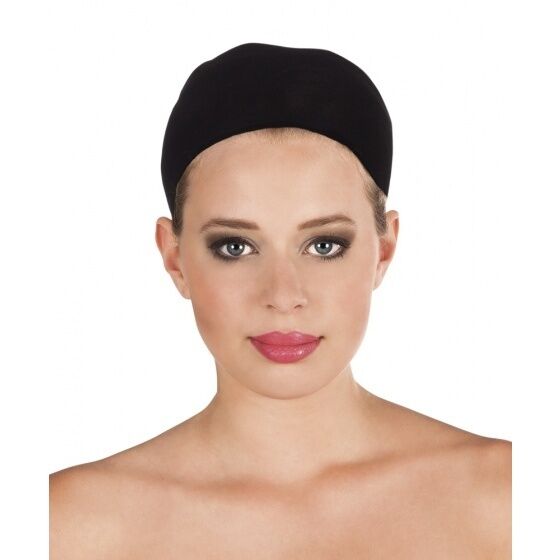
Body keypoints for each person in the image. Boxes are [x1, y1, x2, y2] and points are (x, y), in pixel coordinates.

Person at [50, 43, 511, 559]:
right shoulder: (69, 527)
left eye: (324, 245)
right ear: (174, 258)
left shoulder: (508, 501)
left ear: (384, 250)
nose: (283, 296)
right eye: (235, 247)